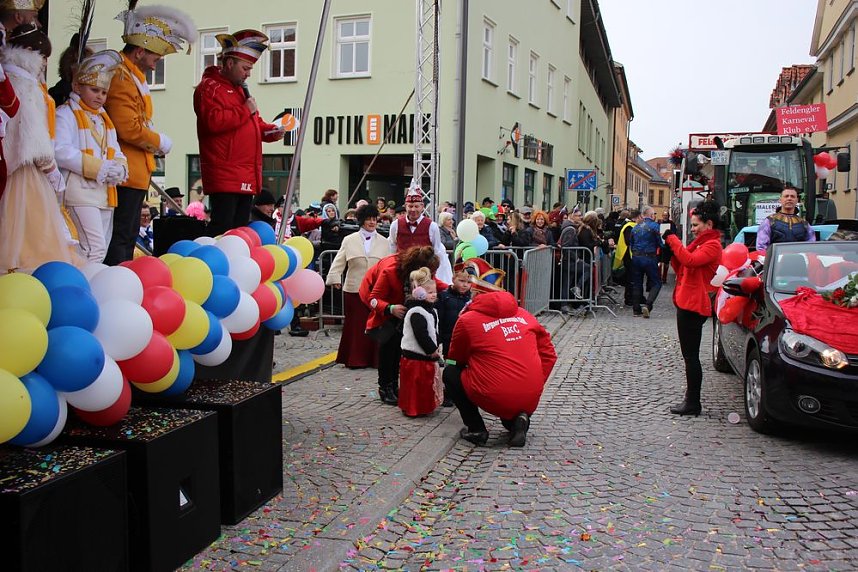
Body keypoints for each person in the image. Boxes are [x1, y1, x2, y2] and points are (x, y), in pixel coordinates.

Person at [104, 5, 195, 265]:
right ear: (140, 51)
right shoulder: (122, 78)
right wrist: (159, 142)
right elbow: (128, 127)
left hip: (133, 172)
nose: (157, 63)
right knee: (121, 238)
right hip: (126, 172)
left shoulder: (130, 76)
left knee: (126, 237)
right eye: (156, 56)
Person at [443, 258, 557, 447]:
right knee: (509, 411)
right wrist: (533, 381)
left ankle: (476, 428)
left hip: (494, 391)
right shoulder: (525, 314)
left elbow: (456, 359)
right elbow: (549, 355)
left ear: (476, 293)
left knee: (450, 373)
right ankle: (519, 420)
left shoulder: (468, 320)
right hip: (530, 394)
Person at [0, 24, 83, 273]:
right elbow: (33, 136)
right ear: (30, 53)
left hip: (13, 165)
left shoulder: (13, 80)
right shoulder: (25, 85)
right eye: (43, 56)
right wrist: (50, 168)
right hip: (27, 172)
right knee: (34, 234)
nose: (45, 63)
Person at [194, 29, 285, 238]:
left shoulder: (240, 91)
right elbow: (213, 122)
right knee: (223, 227)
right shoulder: (209, 88)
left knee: (239, 230)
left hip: (244, 173)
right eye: (245, 68)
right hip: (225, 172)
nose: (248, 73)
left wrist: (271, 131)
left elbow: (253, 124)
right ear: (229, 63)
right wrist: (245, 109)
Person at [54, 50, 129, 263]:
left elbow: (116, 150)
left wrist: (120, 168)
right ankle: (85, 283)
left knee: (99, 250)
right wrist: (99, 168)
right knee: (93, 249)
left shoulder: (105, 120)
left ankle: (86, 281)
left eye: (104, 92)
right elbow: (60, 150)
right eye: (94, 90)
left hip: (104, 193)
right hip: (79, 193)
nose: (100, 96)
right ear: (77, 87)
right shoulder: (65, 114)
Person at [361, 245, 447, 405]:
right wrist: (390, 308)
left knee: (399, 348)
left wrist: (453, 289)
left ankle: (395, 385)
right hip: (387, 307)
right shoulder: (390, 271)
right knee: (388, 348)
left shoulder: (422, 272)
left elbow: (435, 283)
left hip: (404, 307)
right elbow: (373, 298)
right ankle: (385, 387)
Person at [662, 201, 723, 416]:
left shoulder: (712, 245)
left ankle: (693, 402)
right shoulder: (701, 242)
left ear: (709, 224)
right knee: (689, 356)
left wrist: (673, 240)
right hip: (687, 301)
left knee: (691, 356)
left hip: (694, 304)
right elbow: (682, 264)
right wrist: (670, 251)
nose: (693, 229)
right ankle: (691, 400)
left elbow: (689, 260)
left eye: (696, 225)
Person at [326, 204, 389, 368]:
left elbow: (389, 266)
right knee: (355, 325)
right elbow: (339, 260)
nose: (372, 222)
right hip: (354, 289)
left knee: (376, 324)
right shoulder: (349, 240)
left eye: (374, 219)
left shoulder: (385, 242)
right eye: (368, 219)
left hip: (376, 290)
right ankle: (355, 358)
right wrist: (335, 277)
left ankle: (375, 359)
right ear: (361, 221)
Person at [387, 182, 453, 283]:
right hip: (402, 272)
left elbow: (437, 251)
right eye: (410, 206)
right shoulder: (395, 225)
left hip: (424, 274)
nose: (413, 209)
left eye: (416, 206)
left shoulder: (432, 226)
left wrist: (435, 274)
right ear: (405, 206)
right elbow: (392, 247)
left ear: (422, 206)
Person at [399, 267, 442, 417]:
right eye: (430, 292)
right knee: (414, 384)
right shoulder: (416, 312)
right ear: (419, 292)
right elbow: (421, 335)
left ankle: (423, 407)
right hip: (415, 355)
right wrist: (431, 350)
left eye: (434, 292)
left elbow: (434, 330)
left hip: (425, 355)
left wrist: (437, 344)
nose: (434, 295)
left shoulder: (432, 311)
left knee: (424, 384)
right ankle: (412, 408)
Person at [755, 186, 815, 253]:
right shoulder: (769, 221)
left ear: (797, 200)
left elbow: (811, 246)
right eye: (786, 196)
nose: (789, 198)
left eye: (792, 196)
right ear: (780, 200)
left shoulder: (804, 223)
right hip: (776, 259)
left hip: (798, 258)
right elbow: (761, 247)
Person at [629, 207, 663, 317]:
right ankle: (648, 305)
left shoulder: (635, 228)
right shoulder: (655, 226)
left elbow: (631, 244)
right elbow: (661, 243)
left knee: (637, 283)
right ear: (651, 215)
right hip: (649, 257)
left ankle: (636, 309)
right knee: (656, 282)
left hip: (636, 257)